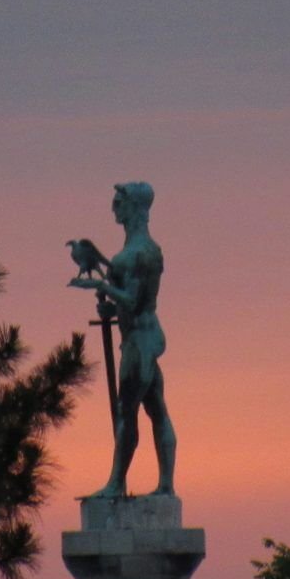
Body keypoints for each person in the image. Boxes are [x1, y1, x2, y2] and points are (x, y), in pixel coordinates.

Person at [69, 181, 176, 497]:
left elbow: (134, 301)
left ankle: (117, 482)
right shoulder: (134, 252)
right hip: (137, 336)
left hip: (140, 341)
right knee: (156, 408)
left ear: (136, 208)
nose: (115, 206)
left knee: (126, 410)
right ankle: (165, 484)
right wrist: (109, 308)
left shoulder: (141, 253)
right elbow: (127, 303)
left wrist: (98, 289)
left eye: (121, 201)